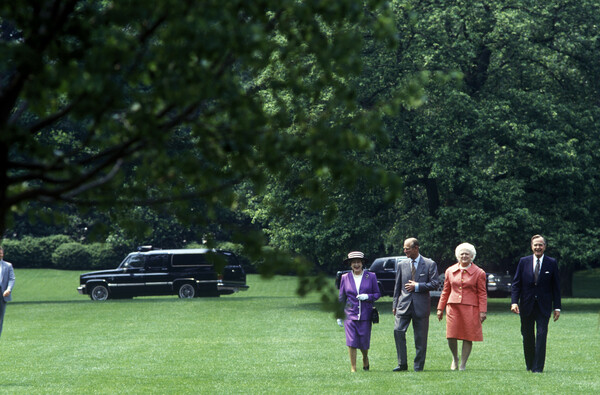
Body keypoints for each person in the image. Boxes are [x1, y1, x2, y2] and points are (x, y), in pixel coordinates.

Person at [511, 234, 561, 373]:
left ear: (545, 246)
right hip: (526, 305)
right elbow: (516, 284)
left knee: (541, 334)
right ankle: (530, 364)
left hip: (544, 307)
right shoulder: (523, 262)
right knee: (527, 335)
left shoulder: (552, 262)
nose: (538, 247)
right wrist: (514, 302)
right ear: (531, 246)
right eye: (535, 245)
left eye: (540, 245)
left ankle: (538, 368)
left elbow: (556, 287)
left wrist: (557, 307)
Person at [437, 242, 487, 371]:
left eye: (467, 254)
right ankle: (455, 358)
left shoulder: (479, 272)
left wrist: (483, 311)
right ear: (457, 256)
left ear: (472, 257)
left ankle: (463, 364)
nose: (464, 256)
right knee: (451, 335)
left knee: (468, 335)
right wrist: (439, 308)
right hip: (453, 306)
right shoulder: (450, 270)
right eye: (462, 254)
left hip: (471, 307)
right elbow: (445, 291)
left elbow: (482, 293)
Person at [392, 238, 440, 372]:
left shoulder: (430, 264)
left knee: (420, 338)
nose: (404, 251)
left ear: (416, 248)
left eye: (407, 248)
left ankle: (418, 366)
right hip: (403, 305)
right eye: (404, 248)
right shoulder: (402, 264)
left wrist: (417, 286)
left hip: (421, 306)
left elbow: (435, 284)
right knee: (398, 331)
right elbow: (397, 286)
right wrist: (395, 304)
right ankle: (402, 364)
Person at [338, 251, 381, 372]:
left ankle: (365, 357)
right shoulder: (345, 277)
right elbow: (342, 297)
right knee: (351, 341)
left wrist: (367, 296)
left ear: (362, 263)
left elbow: (377, 294)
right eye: (353, 262)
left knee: (363, 341)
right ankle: (353, 367)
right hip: (350, 315)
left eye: (358, 262)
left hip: (366, 314)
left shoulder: (371, 276)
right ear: (350, 264)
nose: (356, 265)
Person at [0, 246, 16, 338]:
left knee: (0, 319)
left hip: (2, 294)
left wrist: (8, 289)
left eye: (1, 253)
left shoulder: (8, 265)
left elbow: (11, 279)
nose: (0, 254)